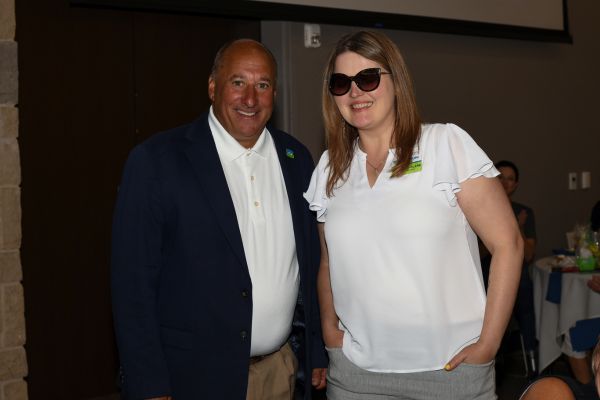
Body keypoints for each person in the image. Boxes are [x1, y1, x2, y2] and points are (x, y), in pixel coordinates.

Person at [304, 30, 523, 399]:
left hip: (450, 371)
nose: (355, 92)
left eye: (368, 78)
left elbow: (509, 244)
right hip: (355, 375)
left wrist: (488, 343)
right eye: (341, 83)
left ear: (397, 82)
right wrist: (329, 329)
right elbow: (329, 263)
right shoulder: (330, 167)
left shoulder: (445, 144)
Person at [111, 39, 327, 400]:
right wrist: (148, 382)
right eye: (237, 82)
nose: (250, 99)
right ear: (213, 87)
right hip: (190, 379)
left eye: (262, 85)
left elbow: (312, 262)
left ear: (275, 92)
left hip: (280, 373)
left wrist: (316, 349)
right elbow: (131, 285)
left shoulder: (297, 159)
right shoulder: (157, 162)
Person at [492, 160, 538, 375]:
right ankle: (494, 365)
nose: (505, 182)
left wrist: (518, 225)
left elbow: (528, 255)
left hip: (519, 278)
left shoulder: (524, 212)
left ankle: (533, 366)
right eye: (500, 177)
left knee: (524, 289)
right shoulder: (481, 208)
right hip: (488, 276)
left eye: (510, 179)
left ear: (516, 184)